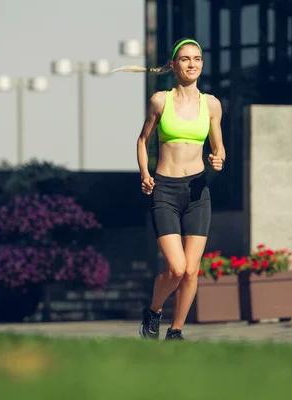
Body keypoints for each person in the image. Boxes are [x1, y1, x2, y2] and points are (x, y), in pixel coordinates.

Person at [113, 38, 225, 340]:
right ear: (173, 65)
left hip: (198, 192)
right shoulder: (160, 101)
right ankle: (153, 310)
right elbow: (142, 141)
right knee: (176, 268)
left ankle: (175, 331)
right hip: (165, 190)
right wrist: (144, 173)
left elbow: (218, 146)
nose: (192, 64)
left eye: (198, 59)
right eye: (186, 59)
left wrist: (218, 159)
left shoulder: (212, 104)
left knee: (191, 270)